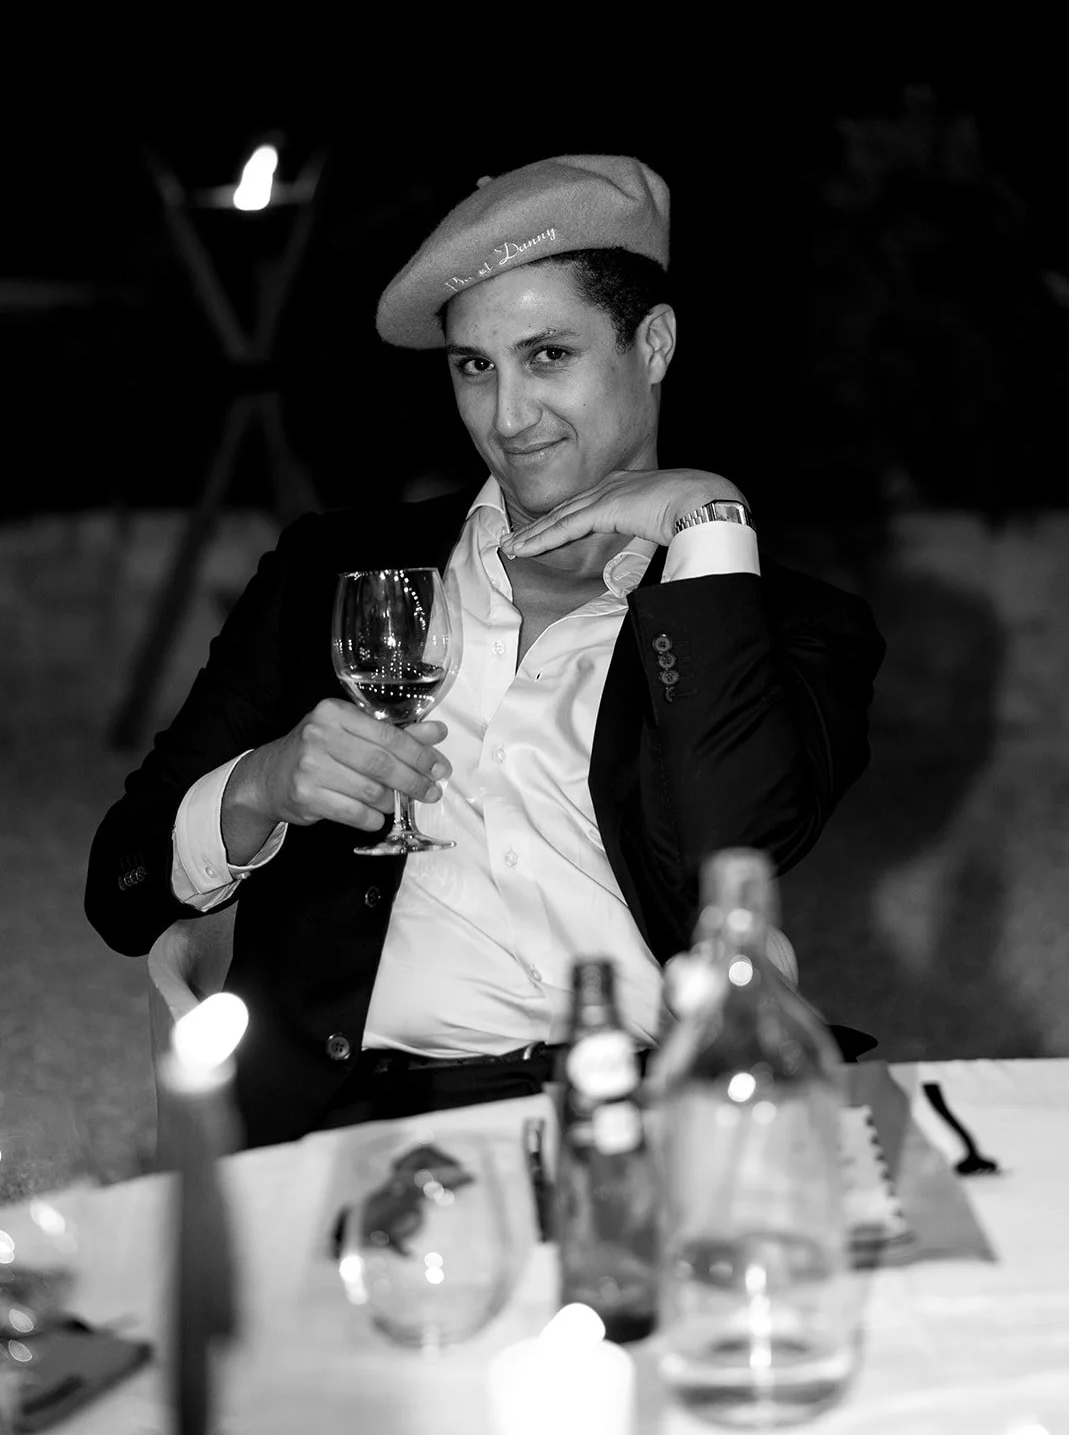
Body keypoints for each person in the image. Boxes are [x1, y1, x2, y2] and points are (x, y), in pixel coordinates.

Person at [86, 154, 885, 1149]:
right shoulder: (333, 570)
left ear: (654, 344)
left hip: (651, 1119)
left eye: (548, 355)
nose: (506, 418)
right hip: (367, 1122)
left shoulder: (785, 622)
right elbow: (121, 886)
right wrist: (261, 786)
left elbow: (738, 847)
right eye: (475, 366)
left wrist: (706, 519)